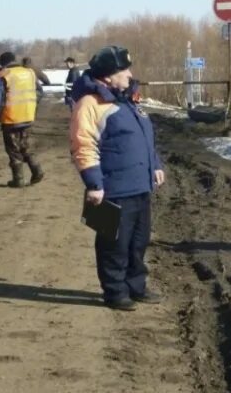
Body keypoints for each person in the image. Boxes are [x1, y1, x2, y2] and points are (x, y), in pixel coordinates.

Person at [69, 45, 165, 311]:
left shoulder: (126, 99)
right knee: (114, 245)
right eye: (124, 70)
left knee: (138, 241)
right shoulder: (90, 104)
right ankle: (115, 292)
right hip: (112, 190)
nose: (129, 74)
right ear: (108, 76)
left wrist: (154, 163)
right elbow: (83, 144)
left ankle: (137, 286)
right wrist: (94, 183)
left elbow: (143, 137)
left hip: (139, 186)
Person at [0, 51, 44, 187]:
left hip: (10, 118)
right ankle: (37, 170)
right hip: (28, 115)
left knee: (13, 149)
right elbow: (40, 92)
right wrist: (32, 106)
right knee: (25, 145)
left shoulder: (2, 76)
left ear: (3, 63)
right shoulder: (29, 72)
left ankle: (18, 179)